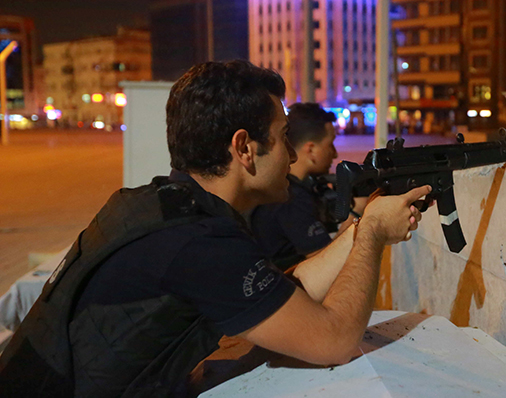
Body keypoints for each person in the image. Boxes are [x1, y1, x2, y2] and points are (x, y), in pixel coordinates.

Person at [0, 60, 430, 397]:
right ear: (244, 148)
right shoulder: (198, 243)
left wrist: (362, 222)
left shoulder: (160, 205)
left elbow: (280, 298)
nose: (292, 158)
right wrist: (372, 236)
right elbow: (333, 340)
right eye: (283, 138)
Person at [250, 103, 364, 270]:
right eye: (330, 144)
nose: (335, 153)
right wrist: (357, 212)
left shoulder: (285, 187)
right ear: (311, 150)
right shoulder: (290, 198)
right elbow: (326, 265)